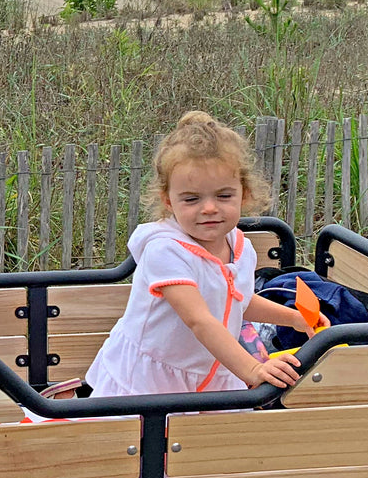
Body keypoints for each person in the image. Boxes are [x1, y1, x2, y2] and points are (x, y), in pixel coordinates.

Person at [85, 111, 312, 397]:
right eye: (192, 199)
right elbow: (199, 320)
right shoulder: (166, 251)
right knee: (143, 439)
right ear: (169, 201)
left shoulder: (240, 246)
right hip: (153, 379)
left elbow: (237, 300)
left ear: (244, 194)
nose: (209, 208)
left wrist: (293, 318)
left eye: (224, 196)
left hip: (213, 369)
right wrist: (253, 369)